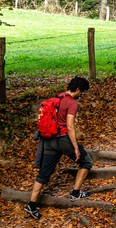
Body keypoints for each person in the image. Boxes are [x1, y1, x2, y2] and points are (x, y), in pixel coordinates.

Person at [25, 76, 94, 219]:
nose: (82, 95)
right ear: (78, 89)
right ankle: (75, 193)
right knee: (86, 162)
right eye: (83, 92)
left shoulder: (56, 98)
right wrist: (75, 147)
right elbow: (70, 126)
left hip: (48, 140)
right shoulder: (72, 103)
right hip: (62, 139)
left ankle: (31, 205)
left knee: (43, 174)